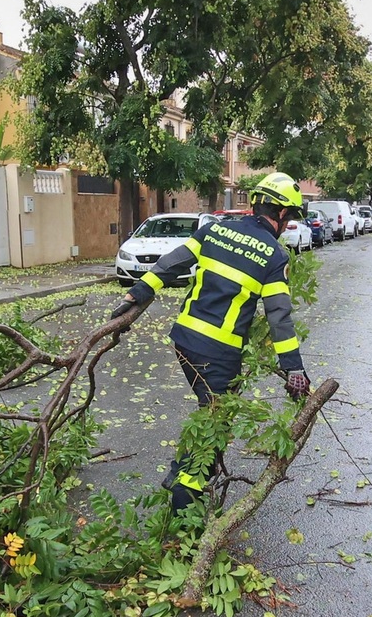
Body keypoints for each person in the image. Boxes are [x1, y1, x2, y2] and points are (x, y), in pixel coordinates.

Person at [110, 171, 311, 512]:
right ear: (278, 213)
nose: (289, 223)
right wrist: (294, 368)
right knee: (212, 427)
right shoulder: (274, 256)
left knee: (216, 413)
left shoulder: (214, 229)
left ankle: (193, 472)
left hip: (185, 341)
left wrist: (135, 294)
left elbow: (171, 264)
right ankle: (183, 511)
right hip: (217, 355)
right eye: (290, 216)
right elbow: (279, 318)